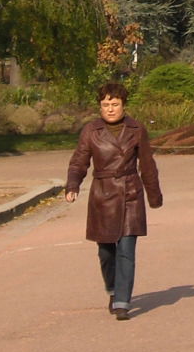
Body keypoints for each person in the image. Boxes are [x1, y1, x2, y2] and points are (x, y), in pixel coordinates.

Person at [65, 80, 163, 319]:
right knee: (106, 252)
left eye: (115, 104)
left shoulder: (137, 130)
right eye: (106, 104)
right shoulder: (91, 131)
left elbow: (148, 165)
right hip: (103, 195)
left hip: (130, 194)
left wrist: (154, 195)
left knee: (127, 250)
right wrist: (73, 184)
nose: (110, 109)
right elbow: (79, 161)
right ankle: (112, 288)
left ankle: (122, 302)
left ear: (123, 105)